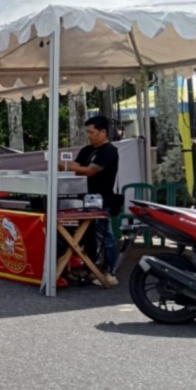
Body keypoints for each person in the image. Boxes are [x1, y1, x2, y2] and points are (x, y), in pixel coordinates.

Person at [59, 115, 120, 287]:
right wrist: (69, 167)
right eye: (87, 132)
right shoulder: (87, 150)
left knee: (105, 235)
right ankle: (90, 267)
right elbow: (76, 168)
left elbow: (88, 171)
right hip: (83, 199)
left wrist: (64, 165)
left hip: (102, 199)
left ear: (103, 132)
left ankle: (110, 270)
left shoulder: (109, 151)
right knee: (88, 235)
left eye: (92, 132)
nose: (89, 136)